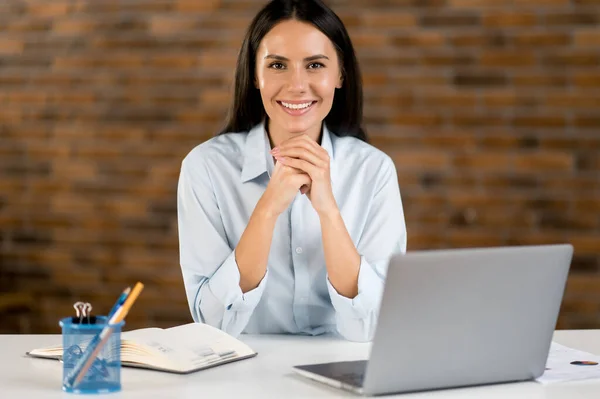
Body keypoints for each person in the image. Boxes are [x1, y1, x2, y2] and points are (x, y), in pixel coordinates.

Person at [177, 0, 406, 343]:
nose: (297, 85)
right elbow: (213, 323)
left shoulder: (373, 171)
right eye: (278, 65)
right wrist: (268, 208)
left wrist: (328, 209)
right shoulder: (206, 168)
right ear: (255, 75)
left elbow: (375, 325)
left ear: (340, 74)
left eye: (315, 65)